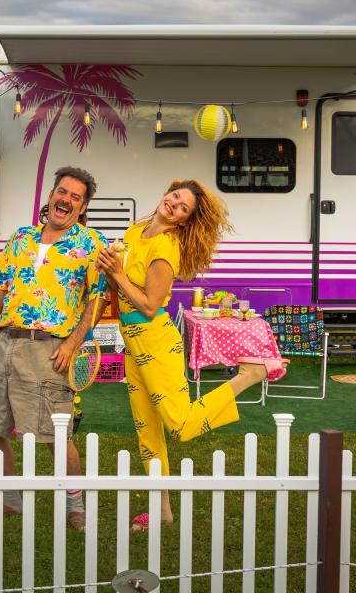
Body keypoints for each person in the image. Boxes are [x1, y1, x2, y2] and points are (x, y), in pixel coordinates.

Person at [97, 179, 288, 531]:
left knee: (180, 425)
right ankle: (163, 511)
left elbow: (151, 306)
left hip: (155, 341)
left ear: (184, 221)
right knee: (147, 432)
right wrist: (109, 271)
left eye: (183, 207)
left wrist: (118, 274)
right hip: (132, 341)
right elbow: (119, 287)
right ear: (165, 193)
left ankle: (249, 375)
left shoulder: (166, 248)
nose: (174, 204)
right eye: (175, 196)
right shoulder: (137, 230)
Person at [0, 166, 108, 530]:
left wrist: (75, 343)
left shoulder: (91, 244)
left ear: (82, 207)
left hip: (47, 351)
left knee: (54, 435)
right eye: (62, 191)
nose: (66, 200)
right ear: (51, 196)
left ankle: (75, 507)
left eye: (76, 197)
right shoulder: (20, 238)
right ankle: (8, 501)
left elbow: (98, 299)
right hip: (3, 345)